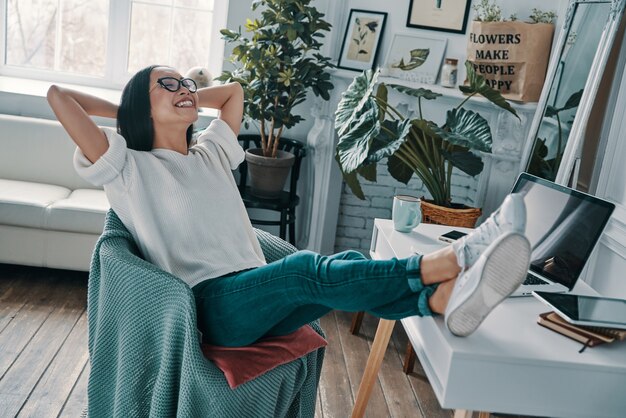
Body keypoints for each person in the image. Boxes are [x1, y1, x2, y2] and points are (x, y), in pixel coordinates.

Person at [47, 65, 531, 345]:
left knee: (346, 265)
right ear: (140, 104)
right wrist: (131, 106)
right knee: (305, 271)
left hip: (254, 295)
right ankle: (454, 256)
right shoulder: (127, 167)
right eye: (166, 85)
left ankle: (439, 300)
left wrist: (179, 93)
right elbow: (59, 95)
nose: (185, 91)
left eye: (186, 84)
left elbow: (234, 93)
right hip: (212, 307)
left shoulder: (211, 153)